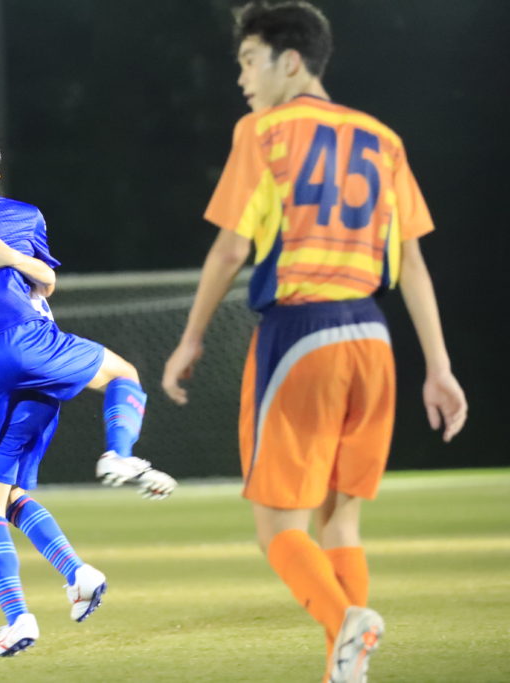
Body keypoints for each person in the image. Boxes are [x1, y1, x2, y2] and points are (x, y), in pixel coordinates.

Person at [160, 3, 467, 682]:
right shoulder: (383, 139)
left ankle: (345, 621)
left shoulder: (263, 132)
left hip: (302, 334)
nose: (241, 78)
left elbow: (231, 248)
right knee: (340, 522)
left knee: (278, 527)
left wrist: (191, 338)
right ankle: (345, 668)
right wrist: (439, 367)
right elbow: (413, 264)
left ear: (290, 62)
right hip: (373, 339)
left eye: (249, 61)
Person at [0, 110, 176, 657]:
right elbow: (47, 281)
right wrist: (14, 259)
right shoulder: (25, 216)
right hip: (32, 359)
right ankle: (112, 474)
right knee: (120, 378)